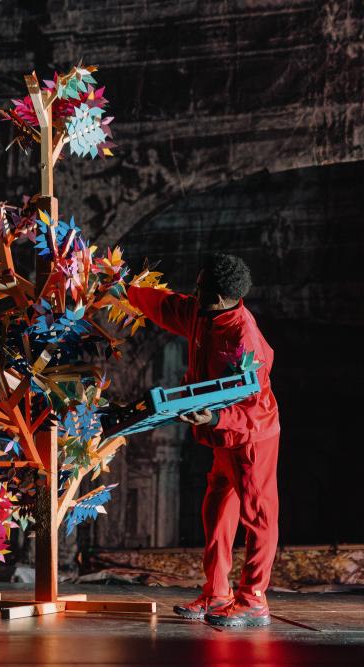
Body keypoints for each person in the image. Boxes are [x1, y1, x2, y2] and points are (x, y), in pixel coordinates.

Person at [126, 253, 280, 628]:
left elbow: (254, 407)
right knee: (216, 511)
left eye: (202, 291)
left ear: (225, 297)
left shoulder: (245, 340)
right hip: (222, 438)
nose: (194, 294)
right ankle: (217, 592)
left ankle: (253, 599)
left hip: (250, 437)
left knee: (258, 516)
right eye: (196, 287)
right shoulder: (201, 311)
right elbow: (165, 305)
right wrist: (123, 288)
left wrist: (214, 417)